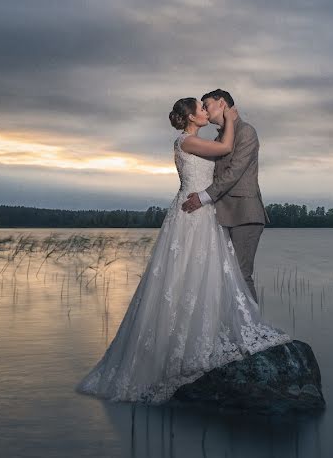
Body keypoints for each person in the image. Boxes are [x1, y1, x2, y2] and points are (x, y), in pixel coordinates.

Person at [76, 97, 290, 404]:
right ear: (190, 116)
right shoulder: (187, 142)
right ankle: (184, 347)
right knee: (184, 275)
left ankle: (201, 335)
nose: (205, 111)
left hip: (201, 213)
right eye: (201, 108)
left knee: (201, 275)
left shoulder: (194, 140)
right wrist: (230, 116)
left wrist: (228, 118)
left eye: (208, 106)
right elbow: (227, 149)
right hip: (194, 214)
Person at [180, 89, 269, 303]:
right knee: (224, 276)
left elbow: (234, 172)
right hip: (221, 216)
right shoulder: (220, 137)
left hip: (244, 214)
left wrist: (203, 196)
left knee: (241, 276)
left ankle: (253, 332)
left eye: (207, 104)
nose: (204, 108)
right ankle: (233, 330)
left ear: (221, 104)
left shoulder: (246, 131)